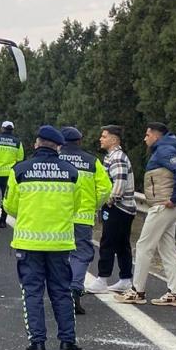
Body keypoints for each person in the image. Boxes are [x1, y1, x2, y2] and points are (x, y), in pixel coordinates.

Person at [5, 125, 81, 350]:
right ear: (58, 146)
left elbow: (10, 205)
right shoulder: (71, 172)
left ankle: (37, 342)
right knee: (61, 292)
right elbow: (76, 206)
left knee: (32, 292)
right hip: (60, 244)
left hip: (28, 243)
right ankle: (68, 342)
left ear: (37, 143)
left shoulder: (20, 170)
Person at [116, 122, 176, 306]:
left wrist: (174, 199)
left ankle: (137, 291)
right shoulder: (166, 149)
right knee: (167, 249)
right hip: (166, 207)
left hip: (162, 206)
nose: (144, 138)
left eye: (147, 135)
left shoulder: (164, 151)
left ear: (156, 136)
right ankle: (175, 293)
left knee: (143, 247)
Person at [59, 127, 111, 315]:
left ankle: (60, 293)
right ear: (80, 141)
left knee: (59, 255)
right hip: (83, 217)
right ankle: (74, 288)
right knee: (81, 254)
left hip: (58, 216)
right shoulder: (92, 161)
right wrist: (94, 205)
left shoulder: (54, 160)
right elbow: (106, 188)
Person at [87, 125, 135, 294]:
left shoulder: (117, 158)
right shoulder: (112, 157)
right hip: (122, 208)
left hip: (119, 208)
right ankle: (125, 279)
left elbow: (119, 183)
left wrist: (109, 200)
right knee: (122, 244)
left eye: (104, 136)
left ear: (114, 139)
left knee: (107, 242)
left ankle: (102, 279)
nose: (101, 139)